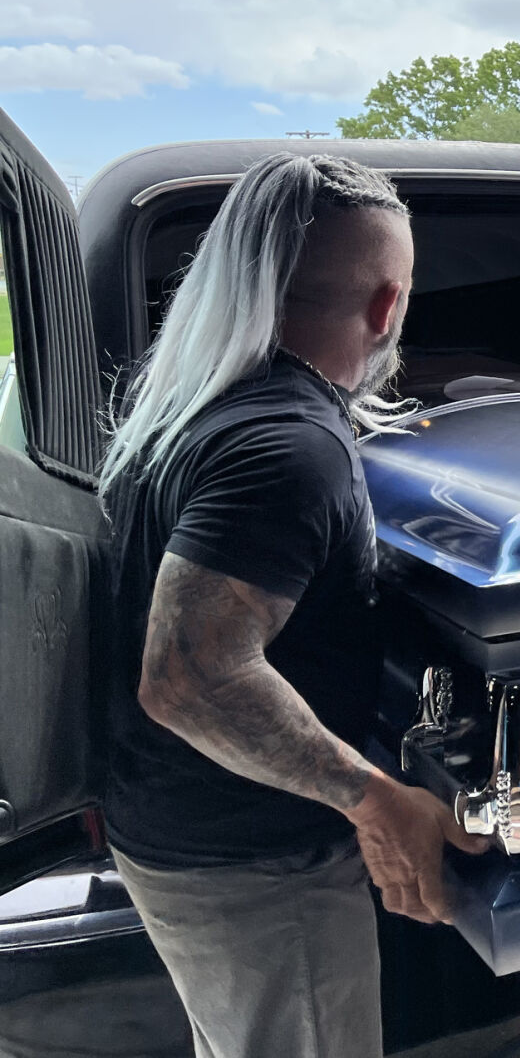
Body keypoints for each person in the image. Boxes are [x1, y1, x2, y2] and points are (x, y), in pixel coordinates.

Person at [100, 153, 490, 1058]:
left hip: (185, 832)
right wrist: (375, 798)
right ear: (389, 305)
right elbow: (190, 676)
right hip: (254, 864)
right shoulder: (289, 448)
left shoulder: (202, 405)